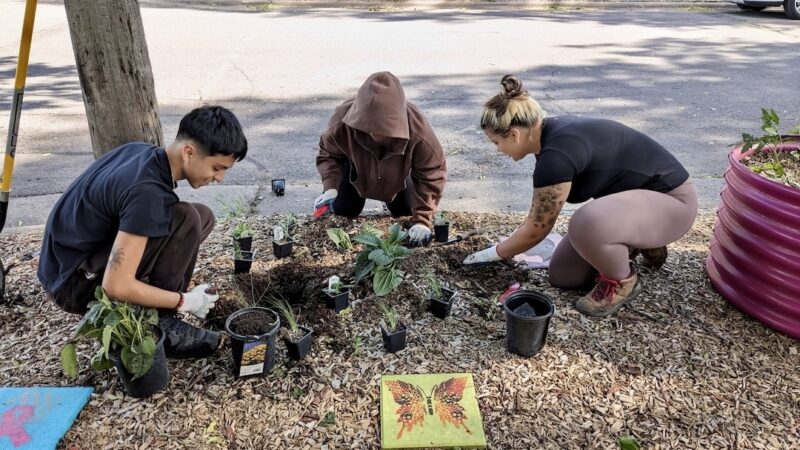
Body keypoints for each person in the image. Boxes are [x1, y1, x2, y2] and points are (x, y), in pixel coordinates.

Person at [463, 75, 698, 317]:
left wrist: (491, 254)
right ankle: (634, 242)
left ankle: (622, 282)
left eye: (496, 142)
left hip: (672, 204)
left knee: (586, 222)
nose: (498, 150)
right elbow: (536, 217)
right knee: (564, 275)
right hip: (637, 208)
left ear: (514, 134)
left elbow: (537, 229)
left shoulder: (556, 156)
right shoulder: (548, 139)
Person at [38, 105, 248, 358]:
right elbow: (115, 286)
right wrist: (184, 300)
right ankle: (160, 324)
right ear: (189, 152)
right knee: (187, 218)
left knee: (202, 216)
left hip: (65, 264)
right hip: (72, 283)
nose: (220, 178)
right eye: (216, 168)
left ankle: (152, 300)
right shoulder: (146, 192)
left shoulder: (143, 153)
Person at [314, 71, 447, 246]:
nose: (372, 135)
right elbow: (328, 155)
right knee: (344, 210)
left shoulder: (418, 130)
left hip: (397, 175)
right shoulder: (341, 122)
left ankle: (392, 198)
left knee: (405, 212)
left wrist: (422, 219)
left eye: (381, 130)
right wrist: (330, 187)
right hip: (356, 172)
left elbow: (432, 172)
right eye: (367, 129)